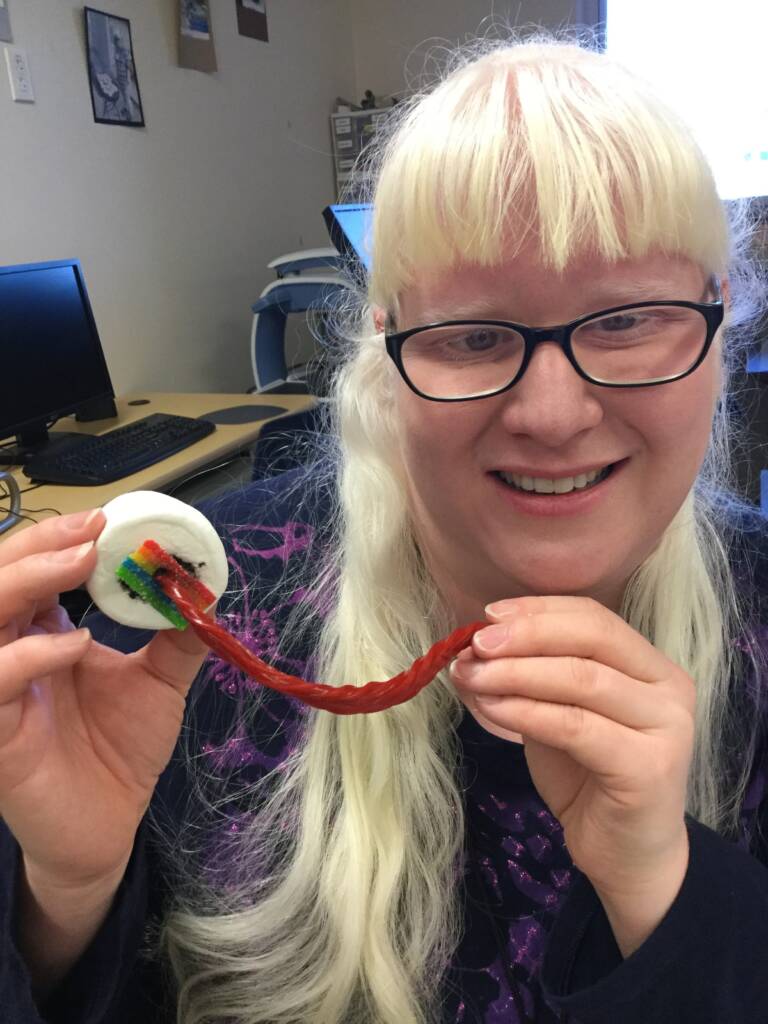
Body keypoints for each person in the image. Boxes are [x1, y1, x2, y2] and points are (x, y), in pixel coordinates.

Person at [2, 32, 768, 1024]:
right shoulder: (193, 624)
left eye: (626, 320)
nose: (551, 411)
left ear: (721, 329)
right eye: (475, 334)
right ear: (386, 358)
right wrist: (63, 894)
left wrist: (667, 890)